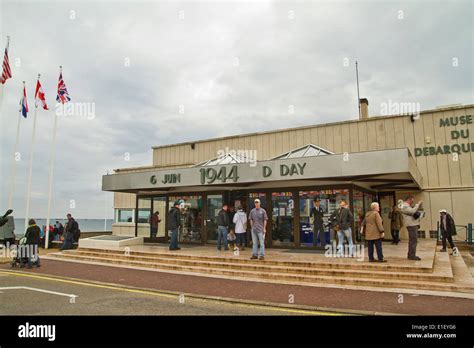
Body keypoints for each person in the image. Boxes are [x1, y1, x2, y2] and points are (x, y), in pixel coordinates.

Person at [400, 195, 422, 261]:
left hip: (412, 224)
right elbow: (412, 211)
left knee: (413, 240)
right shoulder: (404, 206)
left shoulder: (406, 206)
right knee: (413, 240)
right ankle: (412, 255)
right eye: (412, 200)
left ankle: (411, 254)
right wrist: (417, 205)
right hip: (411, 225)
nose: (412, 202)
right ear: (409, 200)